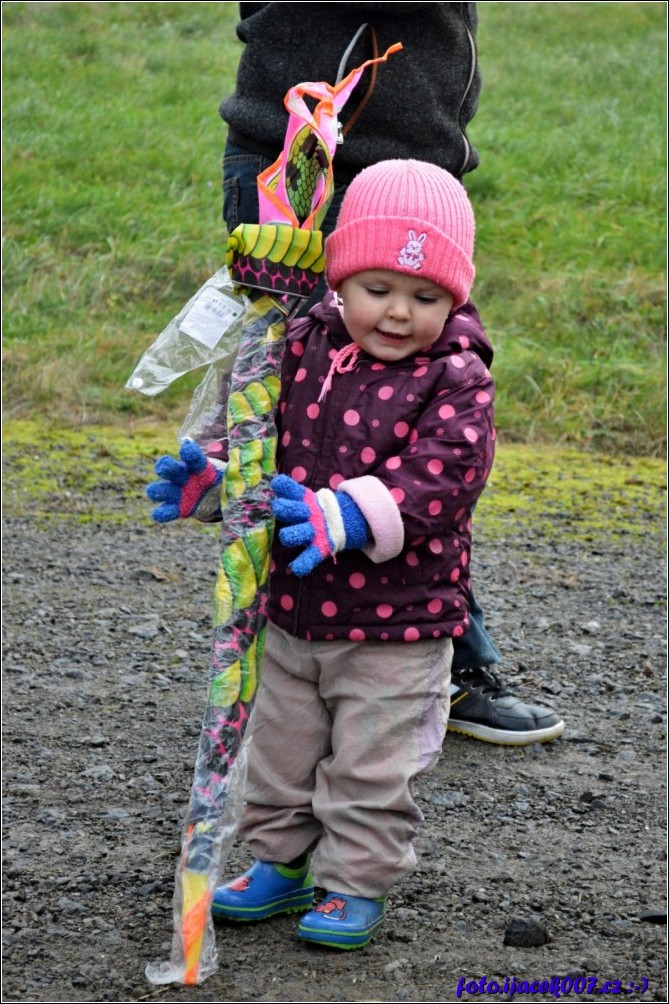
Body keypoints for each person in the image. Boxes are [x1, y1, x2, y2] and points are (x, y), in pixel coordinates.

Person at [217, 1, 564, 745]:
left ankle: (422, 660)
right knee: (311, 411)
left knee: (416, 424)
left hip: (417, 169)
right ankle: (296, 676)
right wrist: (222, 466)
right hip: (306, 159)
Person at [196, 158, 495, 948]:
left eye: (425, 297)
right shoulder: (298, 344)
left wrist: (348, 516)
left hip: (399, 624)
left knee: (371, 763)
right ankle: (277, 860)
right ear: (336, 281)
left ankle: (353, 882)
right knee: (282, 746)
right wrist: (216, 482)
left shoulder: (456, 375)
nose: (398, 313)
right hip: (293, 609)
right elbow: (261, 440)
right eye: (377, 290)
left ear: (454, 297)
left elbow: (446, 475)